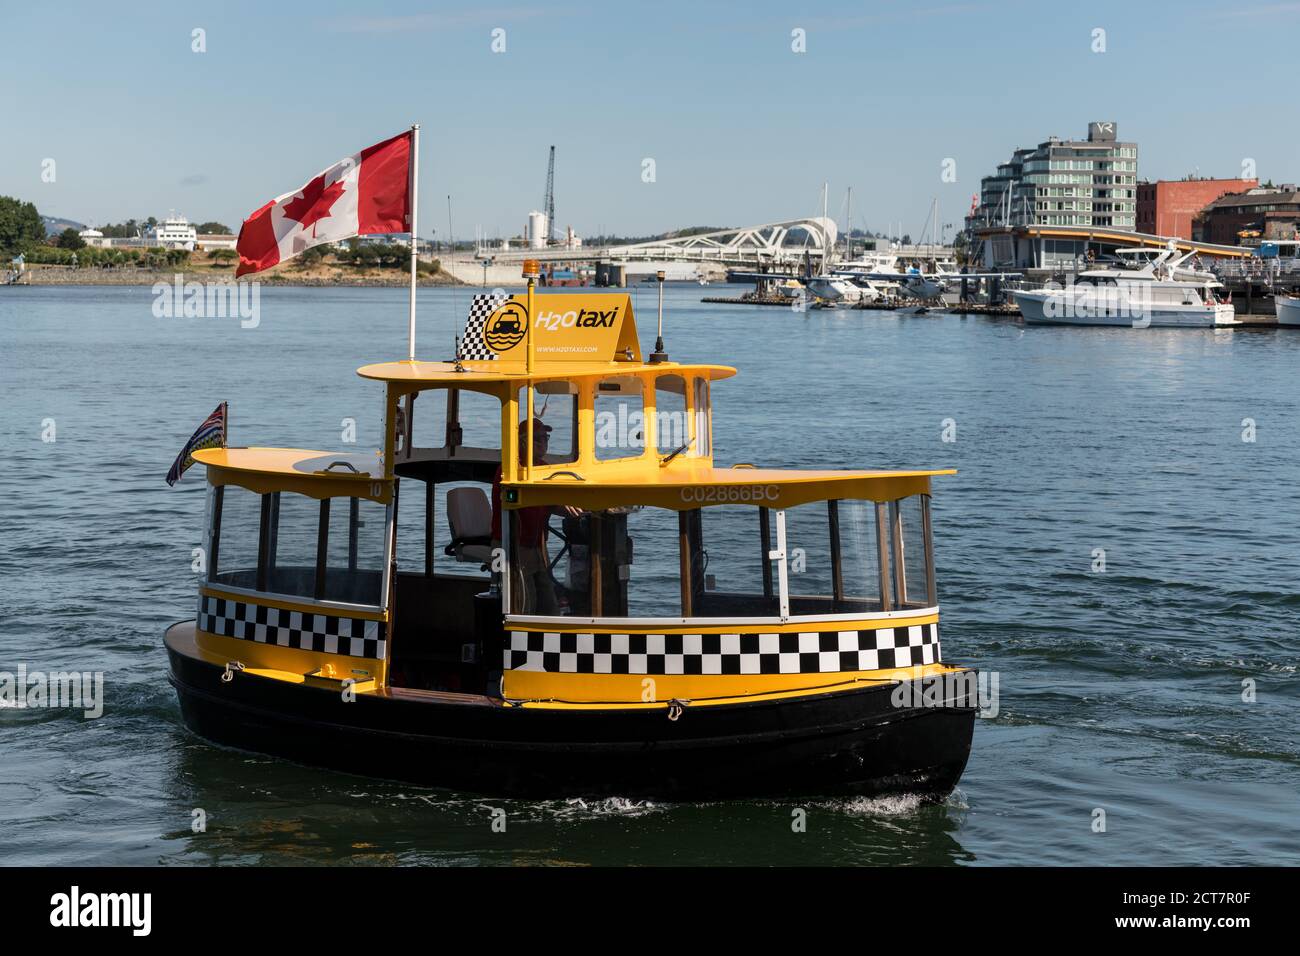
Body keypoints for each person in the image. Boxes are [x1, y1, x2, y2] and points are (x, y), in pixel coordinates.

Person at [490, 418, 581, 613]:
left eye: (546, 437)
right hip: (512, 548)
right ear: (522, 442)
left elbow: (550, 502)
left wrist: (577, 508)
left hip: (537, 548)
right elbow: (520, 497)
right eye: (538, 438)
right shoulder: (509, 469)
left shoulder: (543, 467)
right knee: (524, 605)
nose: (544, 443)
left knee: (549, 607)